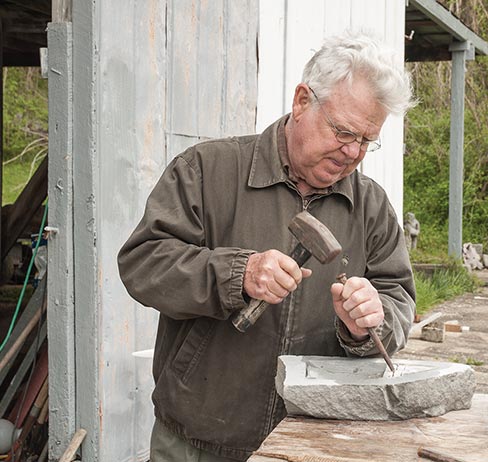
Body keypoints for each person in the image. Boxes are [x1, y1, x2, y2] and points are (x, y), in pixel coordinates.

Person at [118, 30, 416, 462]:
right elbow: (143, 263)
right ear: (301, 102)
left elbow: (397, 296)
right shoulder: (207, 170)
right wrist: (237, 274)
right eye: (344, 131)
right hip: (199, 441)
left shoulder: (370, 205)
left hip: (316, 440)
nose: (354, 151)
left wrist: (370, 320)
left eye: (367, 140)